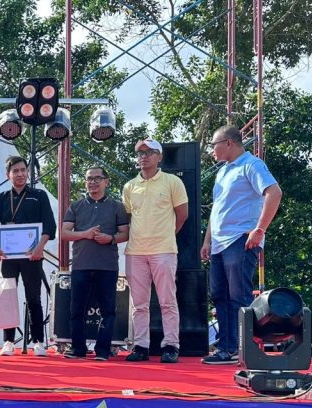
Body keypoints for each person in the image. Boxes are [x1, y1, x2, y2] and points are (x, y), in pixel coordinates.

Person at [201, 125, 283, 365]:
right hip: (219, 242)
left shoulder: (251, 164)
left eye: (214, 144)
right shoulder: (223, 171)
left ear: (228, 142)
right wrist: (207, 240)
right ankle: (226, 347)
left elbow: (274, 192)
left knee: (238, 295)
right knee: (219, 295)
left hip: (240, 238)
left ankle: (242, 347)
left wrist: (260, 229)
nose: (212, 150)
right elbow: (217, 209)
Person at [122, 138, 189, 363]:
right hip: (135, 251)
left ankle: (171, 345)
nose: (144, 156)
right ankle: (141, 345)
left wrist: (166, 234)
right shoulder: (129, 186)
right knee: (139, 304)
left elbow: (182, 215)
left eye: (149, 152)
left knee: (167, 301)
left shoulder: (172, 182)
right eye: (140, 153)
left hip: (164, 250)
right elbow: (128, 218)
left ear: (159, 157)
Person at [0, 155, 57, 356]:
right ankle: (8, 341)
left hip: (32, 255)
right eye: (15, 171)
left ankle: (38, 342)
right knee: (7, 297)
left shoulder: (39, 196)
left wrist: (40, 247)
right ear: (7, 175)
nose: (20, 174)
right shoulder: (0, 199)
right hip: (8, 257)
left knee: (34, 297)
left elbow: (49, 226)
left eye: (23, 170)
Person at [62, 167, 129, 361]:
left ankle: (103, 350)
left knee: (108, 310)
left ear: (106, 182)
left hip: (107, 266)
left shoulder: (117, 206)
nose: (92, 182)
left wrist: (110, 238)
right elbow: (64, 233)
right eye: (89, 179)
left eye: (97, 178)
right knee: (77, 309)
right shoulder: (76, 206)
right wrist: (85, 234)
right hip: (81, 265)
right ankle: (78, 348)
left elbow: (125, 233)